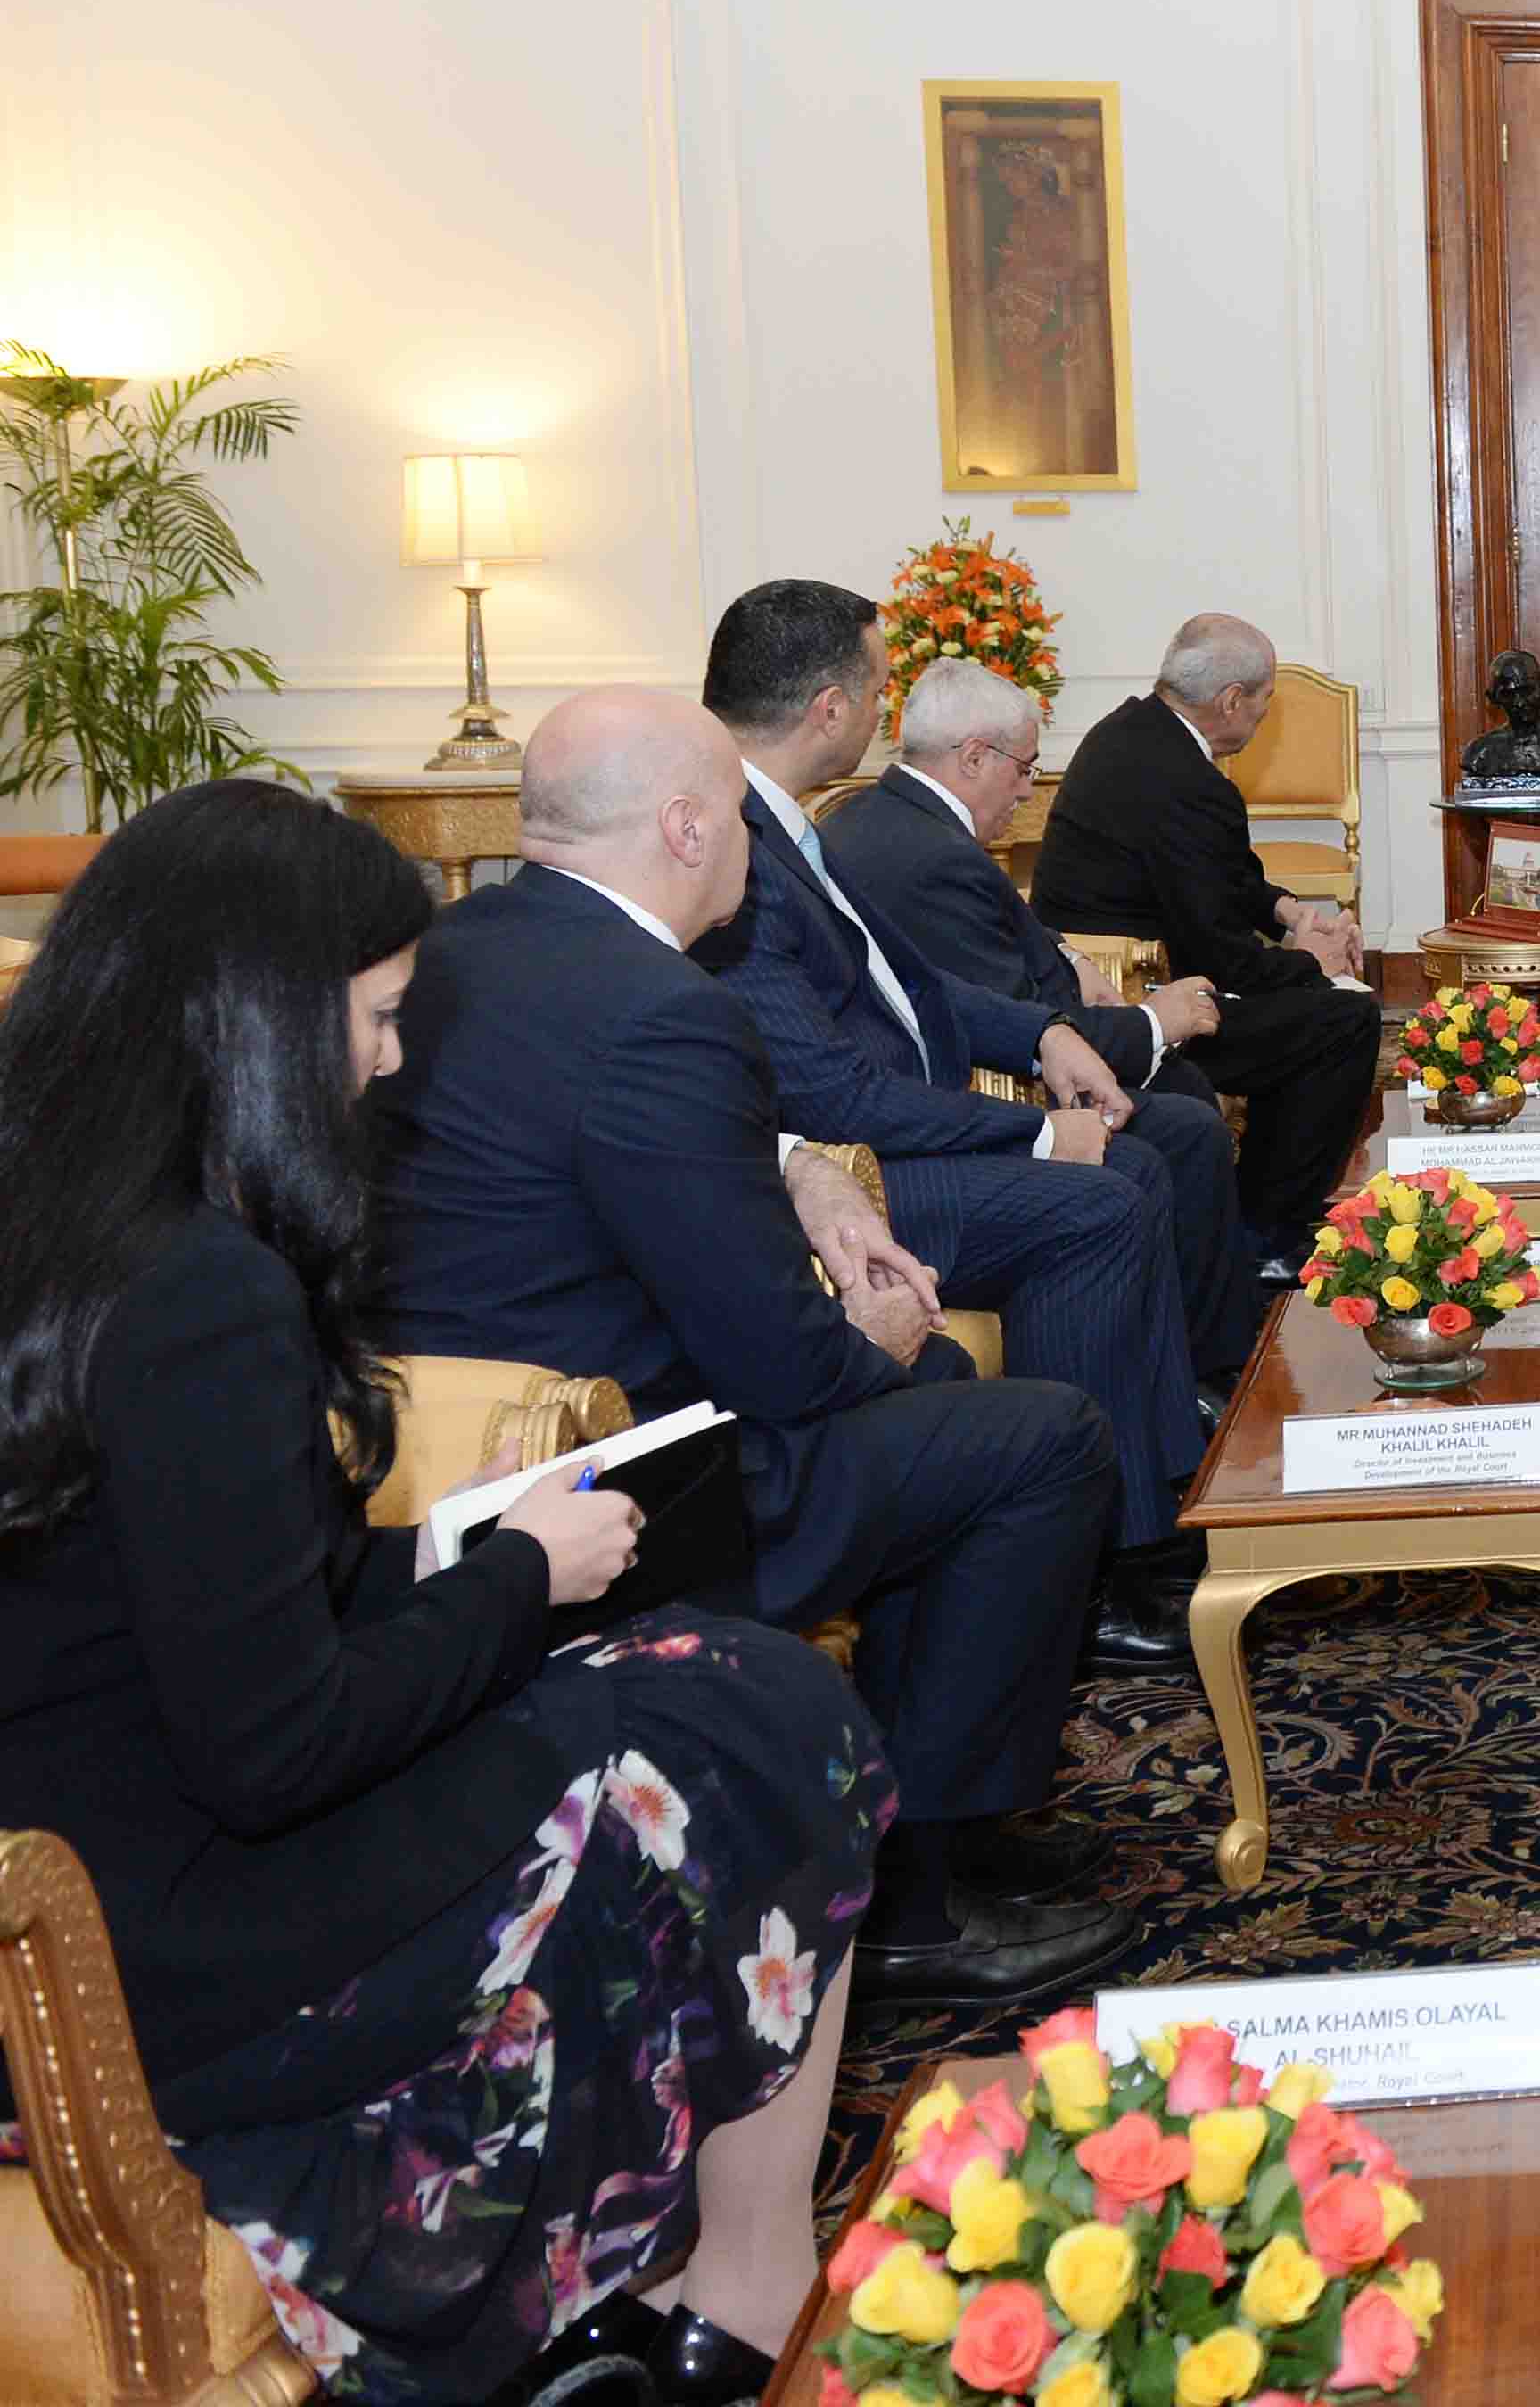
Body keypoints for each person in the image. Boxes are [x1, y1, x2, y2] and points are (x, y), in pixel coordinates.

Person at [0, 779, 885, 2407]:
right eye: (381, 1018)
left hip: (85, 1857)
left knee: (693, 1674)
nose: (393, 1065)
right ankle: (739, 2285)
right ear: (255, 1025)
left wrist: (466, 1557)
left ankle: (691, 2261)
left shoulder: (54, 1217)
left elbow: (184, 1603)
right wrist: (521, 1579)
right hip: (166, 1953)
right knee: (760, 1710)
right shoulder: (199, 1291)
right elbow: (274, 1750)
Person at [375, 688, 1139, 2009]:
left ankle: (944, 1819)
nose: (750, 843)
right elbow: (785, 1364)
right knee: (1039, 1436)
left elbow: (605, 1143)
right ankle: (907, 1902)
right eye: (736, 814)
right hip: (630, 1482)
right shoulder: (667, 1010)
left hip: (443, 1466)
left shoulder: (459, 951)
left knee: (954, 1403)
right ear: (684, 827)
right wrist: (884, 1333)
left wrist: (802, 1176)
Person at [696, 585, 1236, 1661]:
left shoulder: (788, 820)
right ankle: (1093, 1570)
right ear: (831, 705)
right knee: (1096, 1202)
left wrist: (1041, 1038)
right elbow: (830, 1092)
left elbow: (911, 991)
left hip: (885, 1133)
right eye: (882, 686)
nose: (889, 707)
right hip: (849, 1179)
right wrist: (1034, 1136)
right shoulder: (732, 843)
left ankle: (1150, 1496)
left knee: (1129, 1168)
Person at [1032, 614, 1388, 1255]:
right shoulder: (1185, 780)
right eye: (1265, 703)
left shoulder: (1135, 732)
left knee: (1318, 1007)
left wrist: (1289, 914)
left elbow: (1226, 877)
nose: (1263, 719)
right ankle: (1267, 1233)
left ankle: (1259, 1214)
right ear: (1231, 700)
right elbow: (1220, 955)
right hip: (1138, 1001)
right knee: (1344, 1021)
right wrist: (1311, 962)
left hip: (1121, 976)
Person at [823, 657, 1230, 1114]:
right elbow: (1011, 1016)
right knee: (1189, 1116)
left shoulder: (866, 816)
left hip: (1041, 1038)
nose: (1027, 793)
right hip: (1014, 1087)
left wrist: (1071, 957)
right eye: (1023, 769)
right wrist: (1153, 1023)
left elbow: (1001, 926)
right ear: (974, 758)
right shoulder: (939, 859)